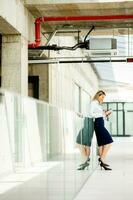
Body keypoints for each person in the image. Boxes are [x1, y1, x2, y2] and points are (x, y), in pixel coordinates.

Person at [90, 90, 113, 170]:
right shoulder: (93, 103)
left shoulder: (98, 104)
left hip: (100, 122)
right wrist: (102, 114)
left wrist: (105, 114)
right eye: (102, 97)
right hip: (98, 123)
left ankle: (102, 161)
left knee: (102, 144)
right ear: (98, 95)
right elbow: (91, 114)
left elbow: (100, 115)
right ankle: (102, 159)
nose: (103, 99)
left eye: (103, 97)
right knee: (109, 141)